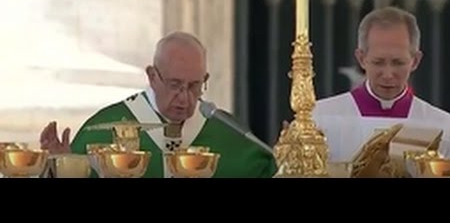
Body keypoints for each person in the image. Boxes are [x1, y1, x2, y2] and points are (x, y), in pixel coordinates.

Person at [40, 31, 277, 178]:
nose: (185, 98)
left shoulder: (226, 131)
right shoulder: (104, 129)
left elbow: (268, 171)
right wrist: (61, 167)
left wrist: (291, 152)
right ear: (152, 76)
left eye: (195, 86)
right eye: (175, 84)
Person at [312, 6, 450, 178]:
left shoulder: (444, 127)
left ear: (415, 61)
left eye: (398, 63)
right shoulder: (320, 118)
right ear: (361, 59)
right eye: (378, 62)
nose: (388, 74)